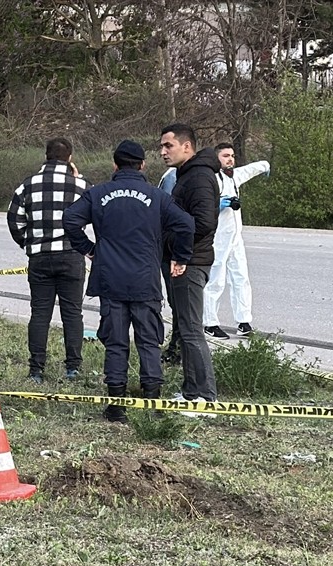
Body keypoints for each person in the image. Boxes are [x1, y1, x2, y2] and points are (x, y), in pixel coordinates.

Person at [63, 140, 195, 423]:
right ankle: (152, 401)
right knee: (149, 341)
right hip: (145, 281)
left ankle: (116, 406)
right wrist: (180, 257)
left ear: (115, 165)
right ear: (142, 165)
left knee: (116, 342)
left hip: (110, 279)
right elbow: (186, 224)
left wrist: (88, 248)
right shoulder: (157, 196)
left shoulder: (97, 194)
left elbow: (70, 219)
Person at [7, 138, 90, 384]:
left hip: (40, 257)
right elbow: (97, 216)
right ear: (70, 158)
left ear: (45, 156)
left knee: (40, 313)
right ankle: (73, 367)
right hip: (71, 255)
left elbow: (14, 220)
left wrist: (28, 242)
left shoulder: (27, 185)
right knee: (73, 313)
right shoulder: (82, 185)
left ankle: (36, 369)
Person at [158, 123, 220, 405]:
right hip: (184, 259)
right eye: (161, 146)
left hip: (191, 262)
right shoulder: (186, 175)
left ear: (187, 146)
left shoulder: (199, 178)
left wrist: (180, 253)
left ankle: (206, 396)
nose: (163, 152)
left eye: (168, 146)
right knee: (184, 327)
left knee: (192, 330)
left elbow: (205, 223)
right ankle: (190, 392)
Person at [203, 142, 270, 339]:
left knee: (241, 278)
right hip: (217, 238)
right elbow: (202, 205)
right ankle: (210, 322)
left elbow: (249, 170)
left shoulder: (233, 177)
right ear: (217, 159)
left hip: (235, 238)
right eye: (225, 156)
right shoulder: (212, 180)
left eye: (232, 155)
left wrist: (265, 165)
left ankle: (243, 321)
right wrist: (219, 204)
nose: (230, 159)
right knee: (215, 280)